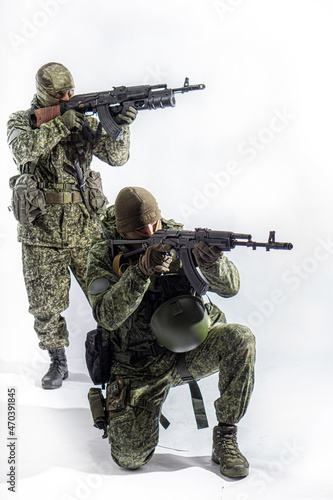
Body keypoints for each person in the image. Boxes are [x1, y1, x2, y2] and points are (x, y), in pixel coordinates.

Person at [86, 186, 256, 479]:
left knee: (241, 338)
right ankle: (122, 409)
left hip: (191, 349)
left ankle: (226, 436)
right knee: (129, 458)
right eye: (141, 229)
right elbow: (107, 317)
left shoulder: (182, 238)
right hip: (138, 365)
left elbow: (232, 288)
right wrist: (140, 272)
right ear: (122, 231)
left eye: (156, 223)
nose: (152, 230)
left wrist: (212, 263)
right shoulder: (103, 253)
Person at [7, 62, 137, 390]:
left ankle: (122, 360)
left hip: (84, 227)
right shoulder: (22, 121)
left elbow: (117, 157)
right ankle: (57, 361)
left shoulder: (83, 123)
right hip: (41, 230)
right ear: (44, 94)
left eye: (71, 90)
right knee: (44, 304)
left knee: (109, 292)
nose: (69, 96)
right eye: (60, 94)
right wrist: (62, 124)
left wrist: (120, 126)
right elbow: (23, 149)